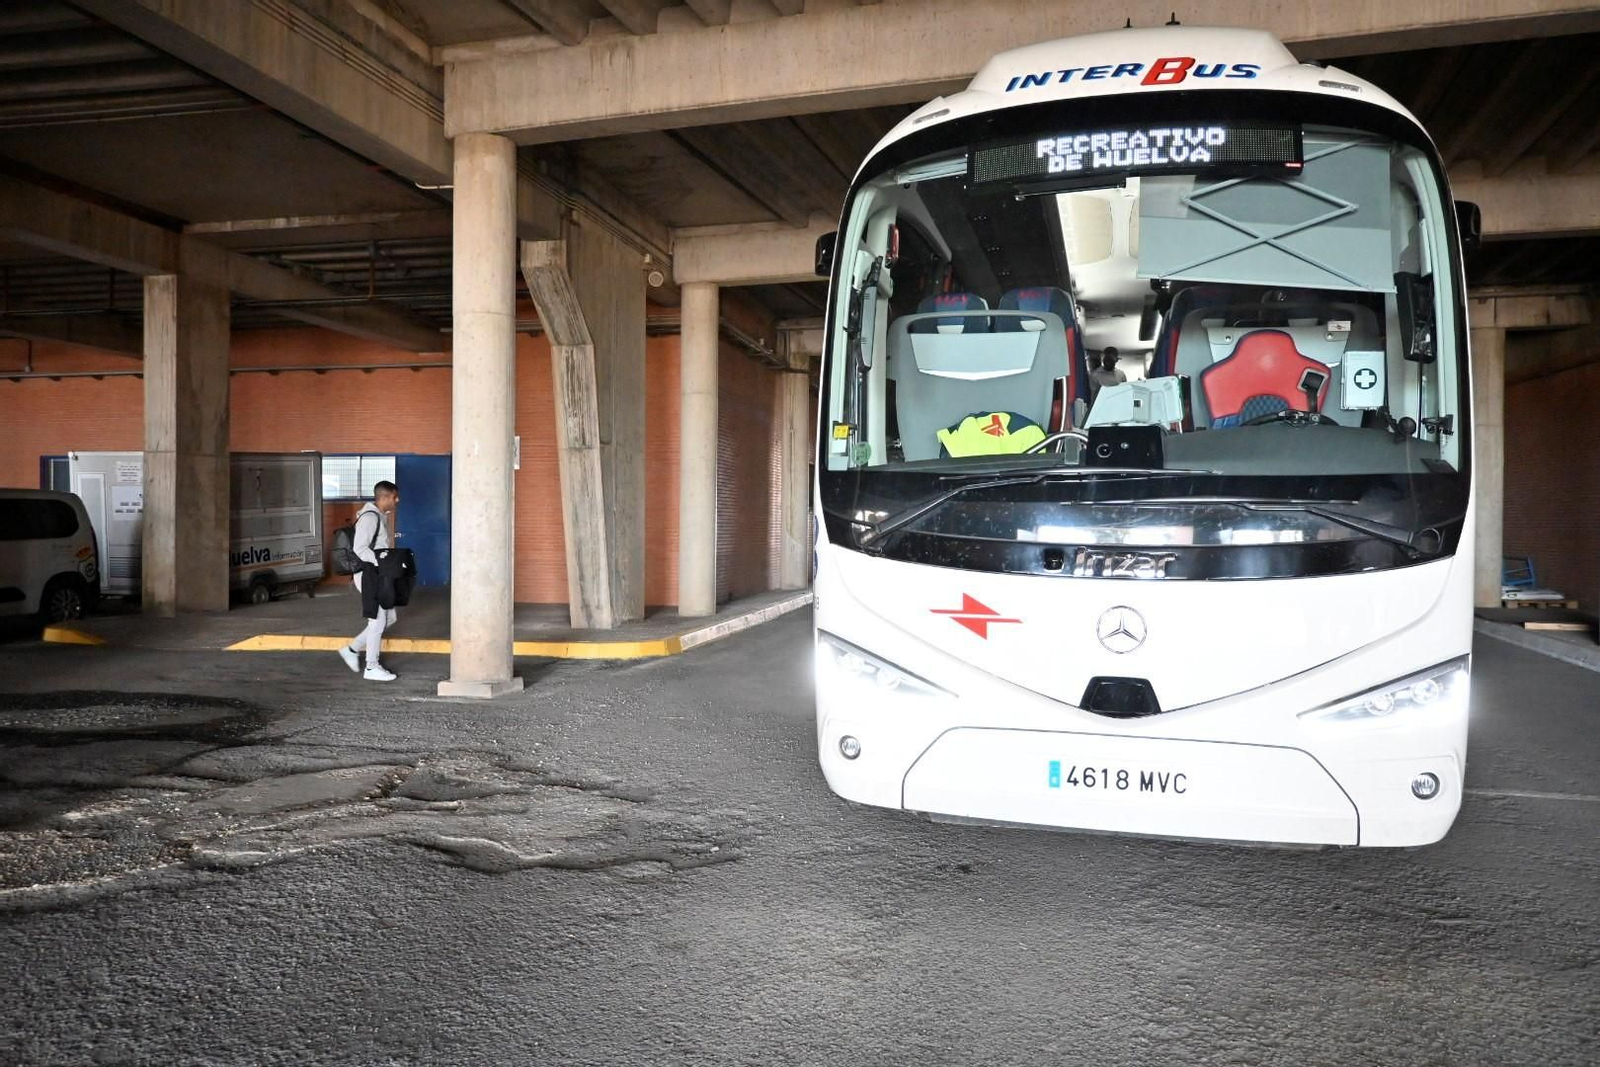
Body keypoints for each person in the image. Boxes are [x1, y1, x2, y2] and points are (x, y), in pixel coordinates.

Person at [337, 480, 400, 681]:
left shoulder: (380, 516)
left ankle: (351, 649)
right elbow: (360, 548)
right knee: (377, 620)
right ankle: (371, 667)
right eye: (394, 497)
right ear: (383, 497)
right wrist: (381, 564)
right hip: (369, 575)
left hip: (378, 574)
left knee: (389, 618)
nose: (397, 500)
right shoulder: (370, 517)